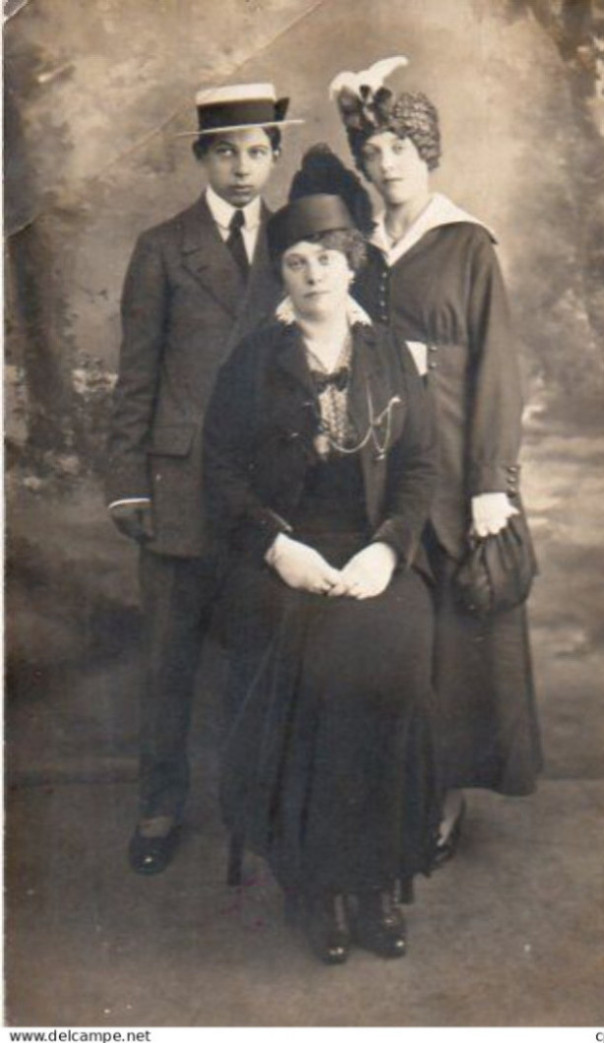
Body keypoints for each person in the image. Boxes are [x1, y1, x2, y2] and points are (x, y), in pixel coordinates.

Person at [203, 164, 442, 964]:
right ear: (282, 272)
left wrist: (388, 548)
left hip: (371, 549)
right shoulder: (253, 362)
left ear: (353, 265)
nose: (312, 275)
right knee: (317, 664)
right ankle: (315, 883)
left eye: (327, 260)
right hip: (283, 555)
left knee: (394, 655)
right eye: (297, 262)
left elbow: (417, 468)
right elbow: (222, 473)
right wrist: (278, 546)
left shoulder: (388, 358)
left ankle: (374, 881)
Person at [331, 57, 543, 856]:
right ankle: (388, 783)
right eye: (373, 152)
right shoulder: (360, 247)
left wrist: (492, 481)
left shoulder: (464, 244)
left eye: (399, 149)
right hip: (375, 465)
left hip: (453, 468)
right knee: (389, 630)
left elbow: (497, 368)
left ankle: (444, 791)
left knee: (456, 641)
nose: (385, 164)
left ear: (427, 154)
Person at [106, 83, 303, 875]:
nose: (243, 167)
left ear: (275, 157)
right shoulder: (162, 247)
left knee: (265, 655)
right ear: (200, 157)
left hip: (266, 490)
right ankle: (159, 803)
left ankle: (256, 804)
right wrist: (128, 480)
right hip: (180, 488)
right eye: (226, 151)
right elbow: (136, 375)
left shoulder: (296, 246)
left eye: (258, 151)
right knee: (169, 659)